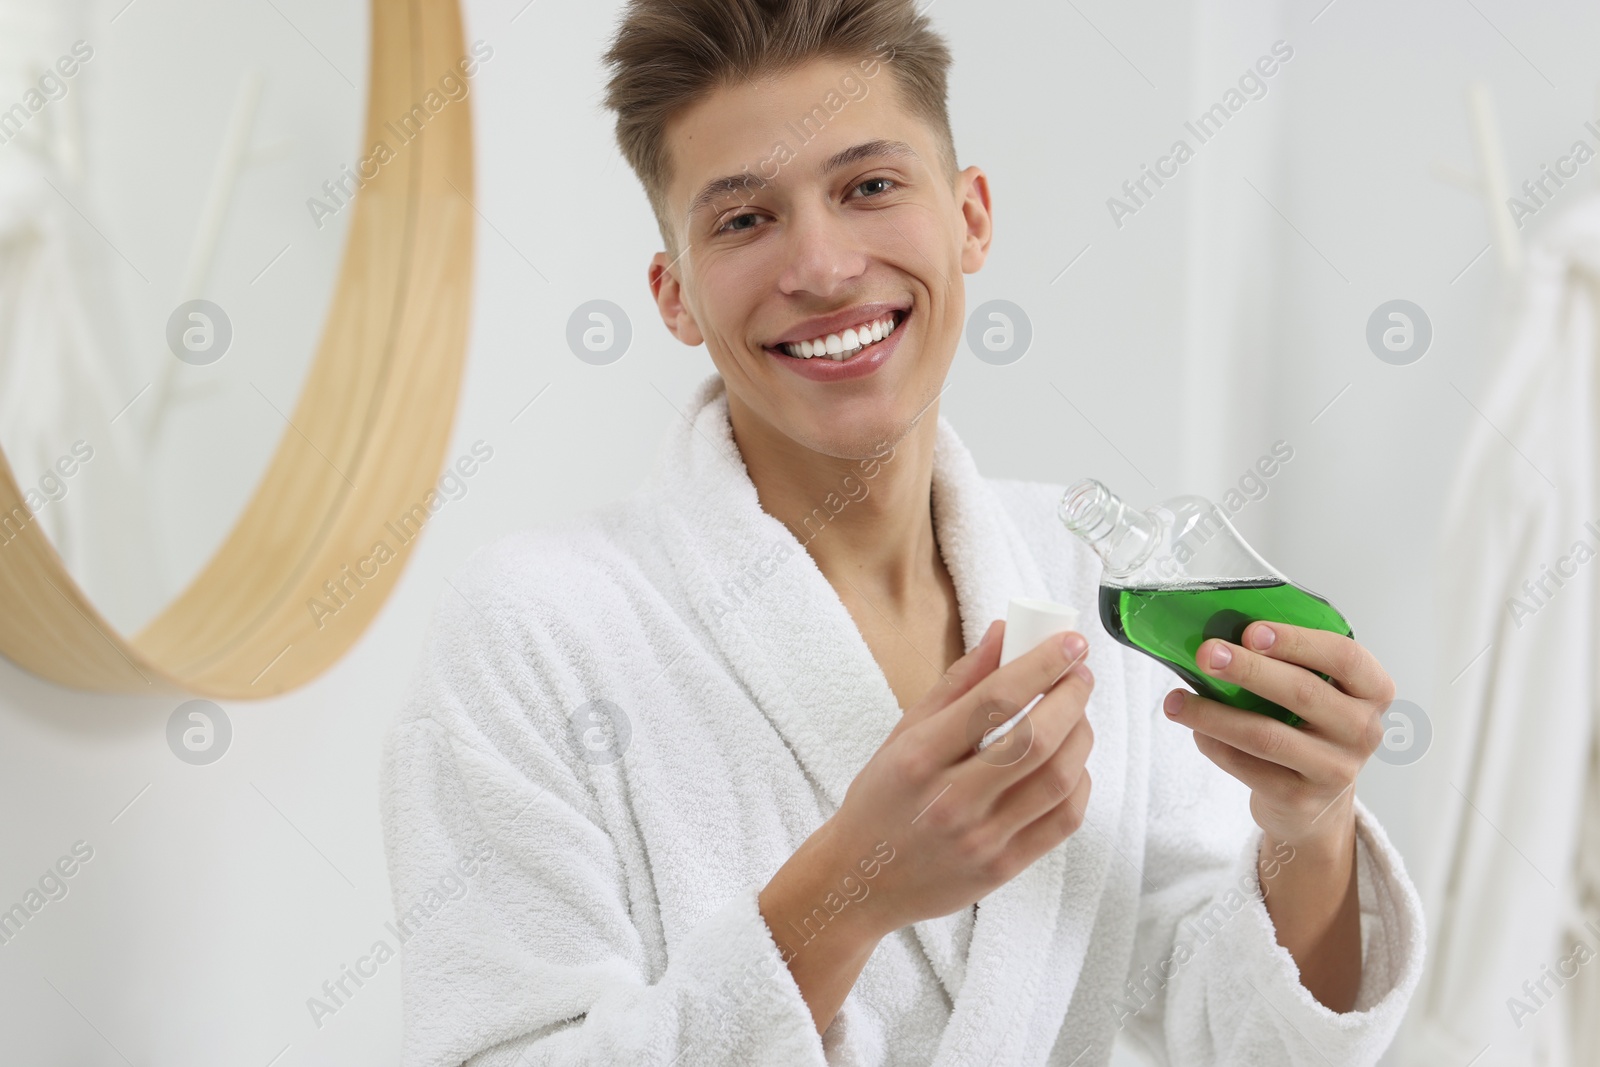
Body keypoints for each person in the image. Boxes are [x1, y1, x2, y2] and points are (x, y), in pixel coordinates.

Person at [378, 2, 1425, 1063]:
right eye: (743, 220)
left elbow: (1241, 1039)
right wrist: (848, 888)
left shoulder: (1084, 574)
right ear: (675, 294)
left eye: (869, 187)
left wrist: (1309, 825)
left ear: (969, 216)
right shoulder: (533, 629)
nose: (824, 267)